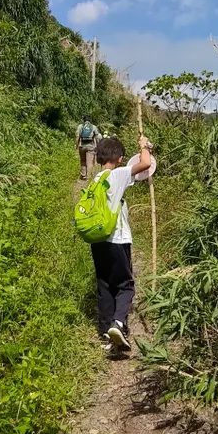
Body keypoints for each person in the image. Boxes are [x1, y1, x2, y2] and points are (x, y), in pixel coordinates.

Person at [90, 134, 152, 355]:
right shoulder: (117, 174)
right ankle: (118, 323)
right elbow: (145, 163)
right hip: (117, 240)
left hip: (98, 241)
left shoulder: (97, 179)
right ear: (119, 158)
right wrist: (144, 146)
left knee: (104, 285)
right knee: (125, 285)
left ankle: (107, 333)